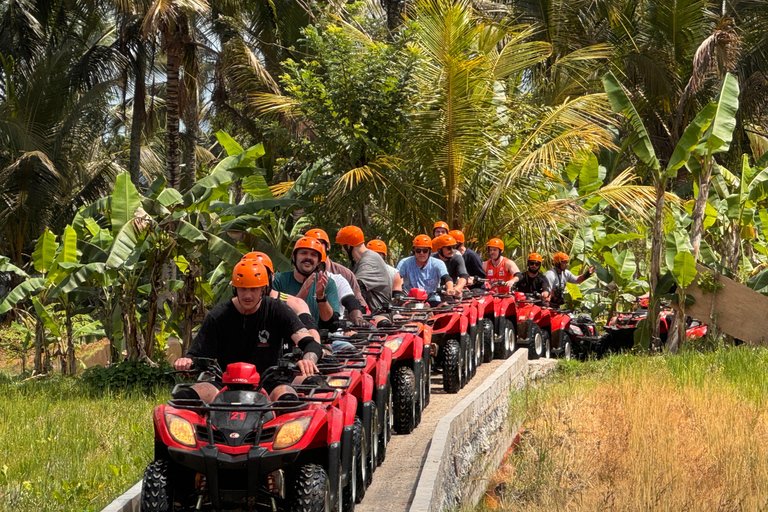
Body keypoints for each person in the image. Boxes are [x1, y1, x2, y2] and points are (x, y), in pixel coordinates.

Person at [173, 260, 322, 403]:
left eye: (253, 289)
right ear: (234, 288)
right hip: (227, 384)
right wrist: (186, 362)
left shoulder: (277, 309)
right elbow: (196, 354)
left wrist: (308, 359)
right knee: (184, 397)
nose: (247, 295)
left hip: (270, 382)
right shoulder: (218, 315)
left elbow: (310, 343)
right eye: (242, 288)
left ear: (263, 288)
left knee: (288, 400)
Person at [242, 251, 321, 342]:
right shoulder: (231, 307)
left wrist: (313, 348)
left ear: (272, 277)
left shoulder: (294, 304)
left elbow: (311, 330)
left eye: (260, 277)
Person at [272, 237, 340, 329]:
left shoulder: (327, 283)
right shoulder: (277, 280)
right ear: (294, 257)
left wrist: (321, 298)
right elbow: (274, 317)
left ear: (319, 261)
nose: (308, 257)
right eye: (303, 253)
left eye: (313, 255)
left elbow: (330, 322)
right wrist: (300, 296)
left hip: (317, 339)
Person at [305, 228, 367, 311]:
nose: (315, 246)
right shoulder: (299, 274)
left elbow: (360, 303)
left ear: (328, 246)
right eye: (309, 244)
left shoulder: (345, 274)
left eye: (320, 243)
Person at [335, 226, 392, 312]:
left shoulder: (370, 260)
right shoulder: (357, 262)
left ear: (348, 246)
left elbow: (357, 287)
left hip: (379, 315)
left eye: (343, 246)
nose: (342, 250)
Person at [396, 234, 456, 300]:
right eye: (418, 251)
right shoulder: (405, 263)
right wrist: (397, 292)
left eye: (425, 251)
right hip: (410, 301)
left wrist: (450, 289)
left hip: (432, 300)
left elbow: (446, 278)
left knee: (446, 306)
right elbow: (397, 278)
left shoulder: (438, 263)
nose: (421, 253)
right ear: (414, 252)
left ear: (429, 252)